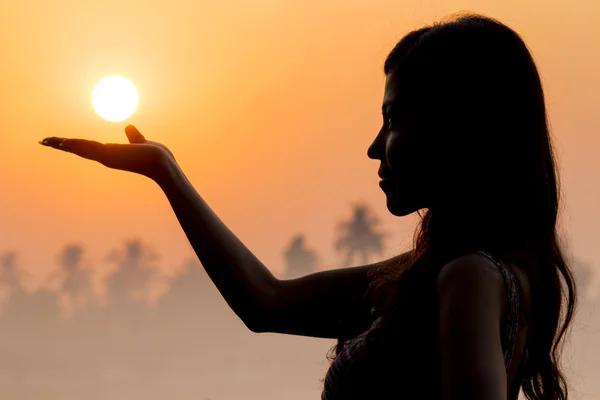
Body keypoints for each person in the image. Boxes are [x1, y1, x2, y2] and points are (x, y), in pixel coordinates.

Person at [39, 12, 576, 400]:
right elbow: (267, 301)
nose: (374, 145)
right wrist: (165, 171)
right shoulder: (430, 276)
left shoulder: (469, 278)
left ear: (455, 127)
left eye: (393, 119)